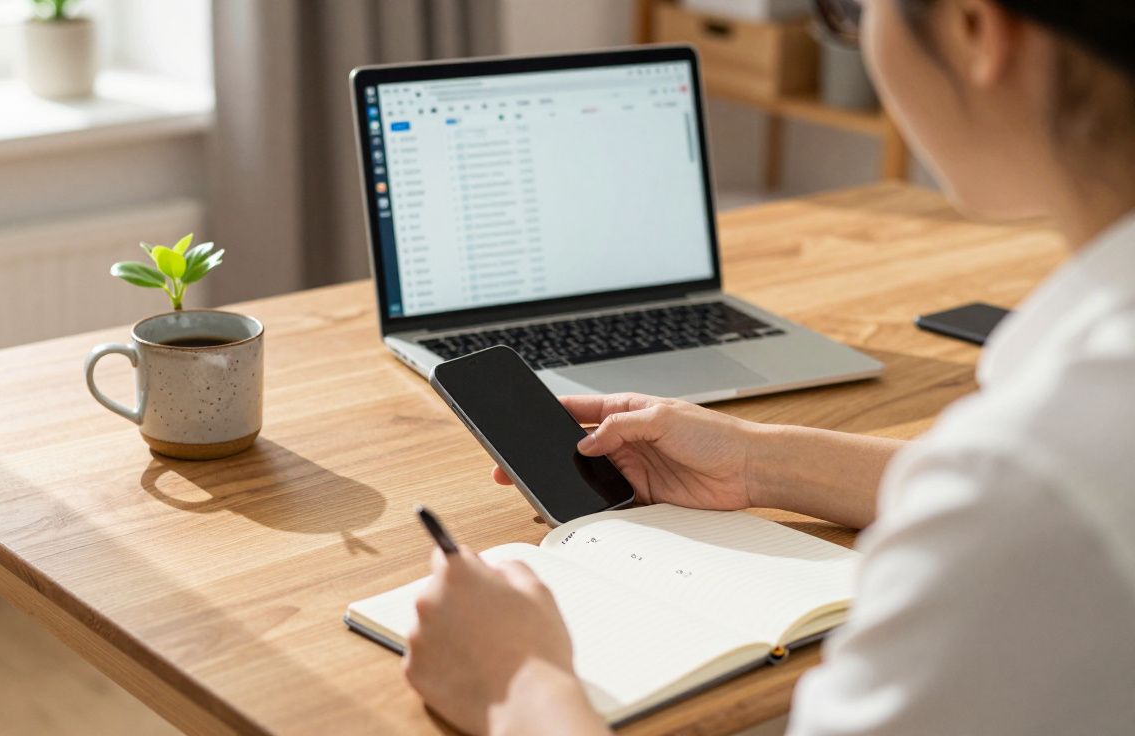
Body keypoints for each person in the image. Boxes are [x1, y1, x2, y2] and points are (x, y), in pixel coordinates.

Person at [399, 0, 1135, 734]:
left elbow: (1026, 494)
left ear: (975, 29)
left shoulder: (1039, 469)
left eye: (851, 10)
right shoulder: (1061, 441)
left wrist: (519, 685)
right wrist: (758, 464)